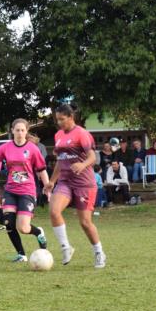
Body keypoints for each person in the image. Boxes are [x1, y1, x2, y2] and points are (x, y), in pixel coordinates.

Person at [43, 104, 106, 268]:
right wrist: (52, 181)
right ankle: (66, 247)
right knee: (54, 211)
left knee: (85, 223)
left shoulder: (82, 134)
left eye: (62, 119)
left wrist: (82, 164)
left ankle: (99, 252)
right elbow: (60, 160)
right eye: (57, 120)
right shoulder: (58, 135)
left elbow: (93, 157)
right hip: (65, 181)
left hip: (84, 183)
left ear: (71, 117)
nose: (59, 123)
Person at [0, 118, 50, 263]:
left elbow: (42, 170)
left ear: (26, 132)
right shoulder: (5, 147)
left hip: (27, 191)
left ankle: (38, 232)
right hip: (10, 190)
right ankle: (21, 254)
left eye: (22, 130)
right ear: (12, 131)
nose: (20, 133)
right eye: (17, 130)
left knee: (23, 228)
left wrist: (47, 187)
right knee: (8, 222)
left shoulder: (33, 149)